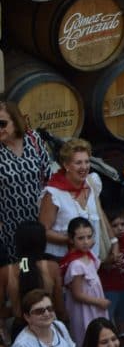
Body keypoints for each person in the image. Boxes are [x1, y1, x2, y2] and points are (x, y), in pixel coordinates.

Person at [0, 99, 51, 290]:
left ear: (16, 121)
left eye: (2, 123)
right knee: (23, 267)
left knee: (43, 263)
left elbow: (49, 175)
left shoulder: (34, 140)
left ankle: (45, 298)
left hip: (40, 218)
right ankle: (26, 301)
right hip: (12, 224)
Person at [39, 138, 110, 264]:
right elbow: (43, 231)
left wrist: (113, 240)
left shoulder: (92, 182)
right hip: (63, 260)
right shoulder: (53, 194)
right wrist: (73, 240)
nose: (84, 167)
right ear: (66, 165)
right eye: (78, 163)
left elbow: (100, 214)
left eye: (87, 162)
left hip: (91, 259)